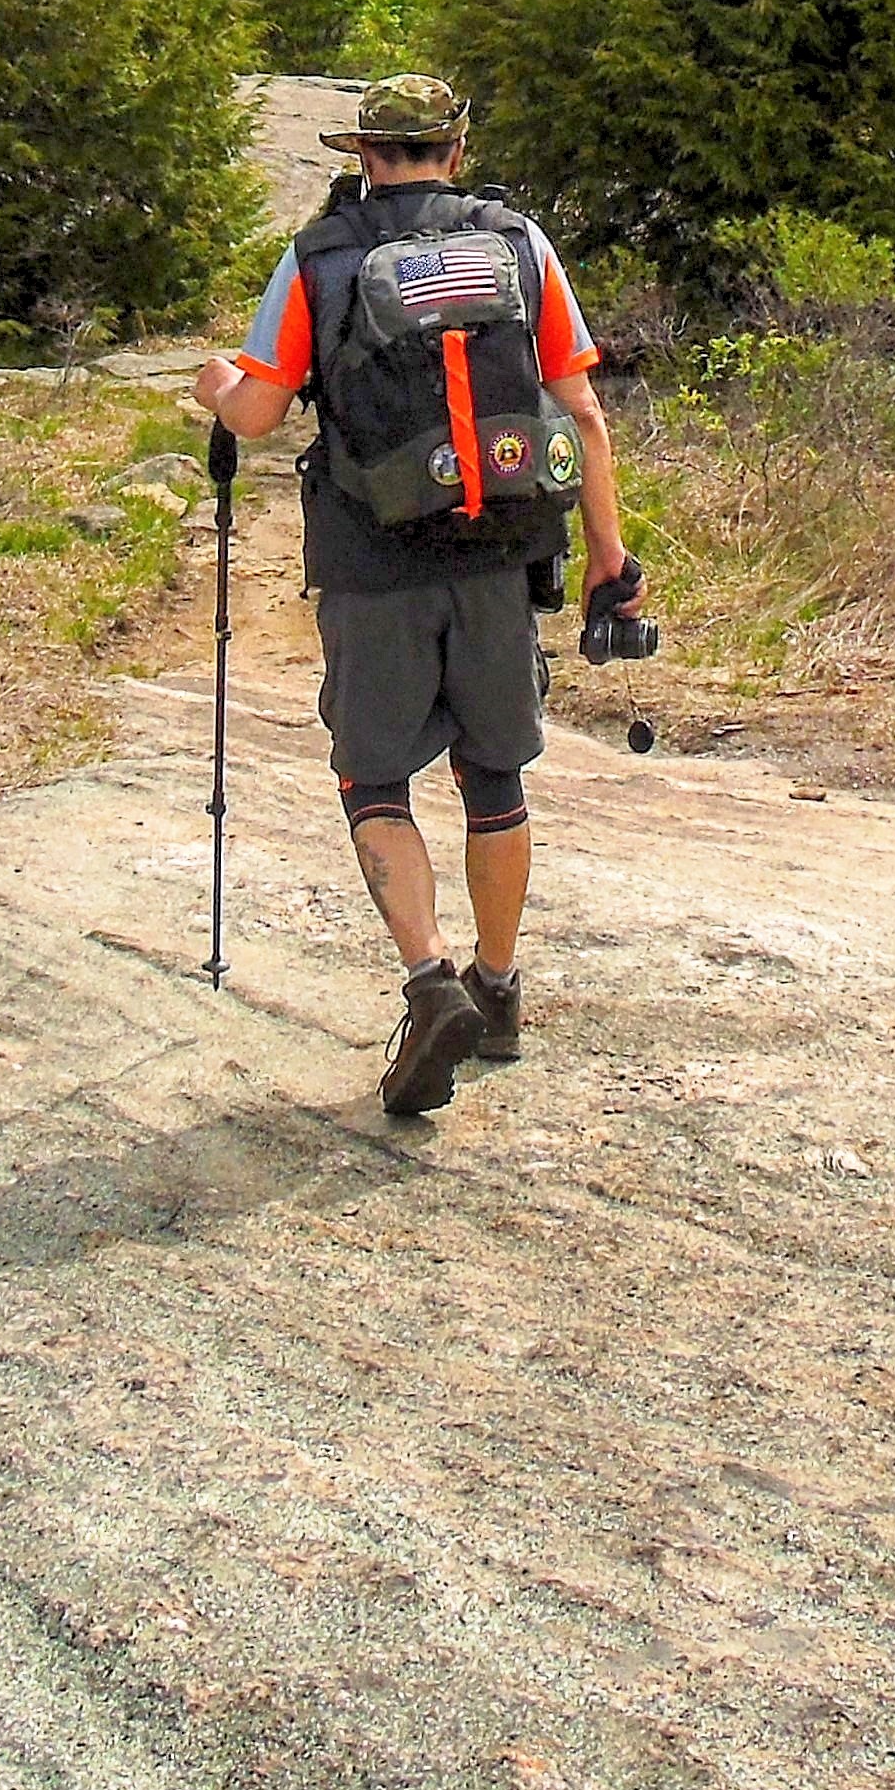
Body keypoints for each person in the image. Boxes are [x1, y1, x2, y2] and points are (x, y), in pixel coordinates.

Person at [189, 74, 638, 1118]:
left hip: (371, 559)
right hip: (501, 551)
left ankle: (430, 980)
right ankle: (498, 984)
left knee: (373, 779)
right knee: (496, 773)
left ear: (363, 154)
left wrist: (214, 383)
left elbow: (256, 413)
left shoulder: (318, 258)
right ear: (456, 145)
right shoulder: (520, 246)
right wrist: (609, 561)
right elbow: (582, 410)